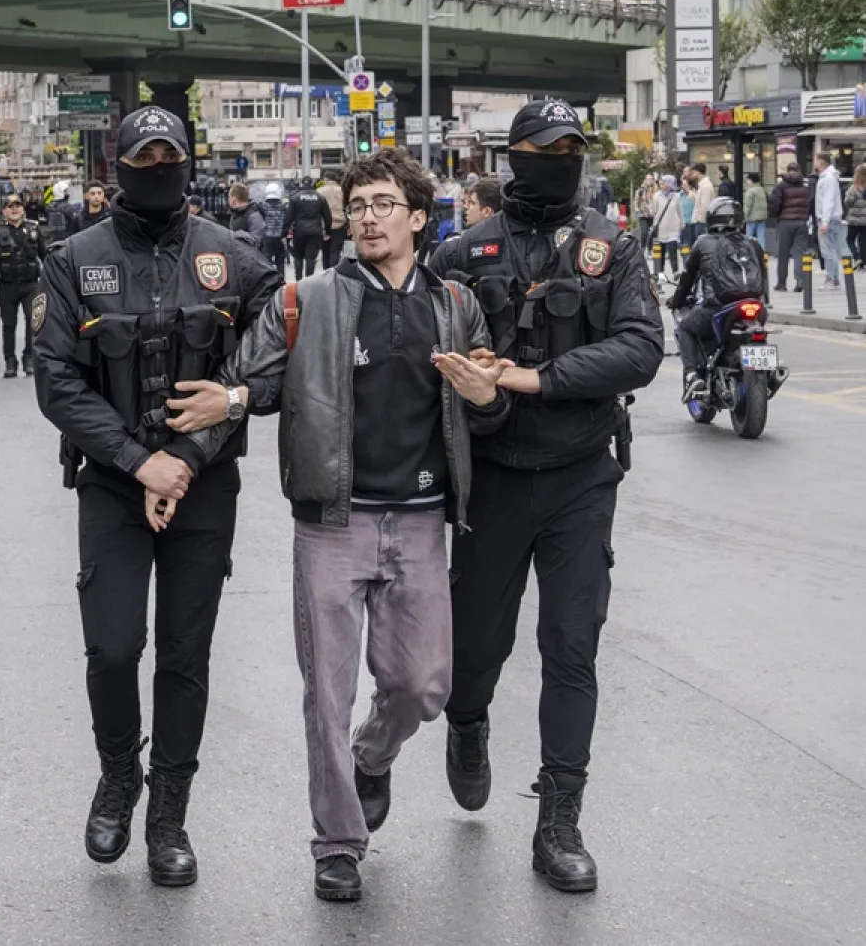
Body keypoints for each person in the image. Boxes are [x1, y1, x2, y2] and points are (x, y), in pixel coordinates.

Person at [175, 147, 510, 902]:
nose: (366, 216)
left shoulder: (455, 306)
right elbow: (247, 380)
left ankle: (373, 754)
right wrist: (205, 432)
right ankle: (337, 842)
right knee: (326, 689)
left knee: (424, 683)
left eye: (383, 204)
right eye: (357, 205)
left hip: (423, 520)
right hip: (332, 520)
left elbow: (492, 411)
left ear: (420, 218)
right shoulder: (307, 299)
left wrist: (487, 396)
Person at [32, 105, 281, 889]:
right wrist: (142, 464)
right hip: (113, 482)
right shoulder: (72, 259)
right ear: (119, 165)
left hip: (203, 485)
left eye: (171, 152)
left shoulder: (237, 258)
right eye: (145, 155)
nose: (159, 164)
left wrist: (187, 455)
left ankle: (169, 811)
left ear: (189, 161)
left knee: (184, 652)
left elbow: (272, 365)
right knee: (112, 646)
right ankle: (119, 773)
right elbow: (56, 381)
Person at [428, 98, 664, 894]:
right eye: (546, 147)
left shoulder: (612, 249)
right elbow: (422, 354)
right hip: (491, 480)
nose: (562, 158)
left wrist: (536, 378)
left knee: (571, 647)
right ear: (515, 154)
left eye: (574, 147)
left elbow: (640, 347)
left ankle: (559, 820)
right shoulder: (466, 251)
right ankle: (466, 724)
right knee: (474, 650)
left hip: (578, 477)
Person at [667, 196, 766, 400]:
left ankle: (692, 375)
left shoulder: (703, 243)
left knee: (686, 327)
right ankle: (765, 372)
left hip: (718, 309)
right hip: (756, 308)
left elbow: (688, 278)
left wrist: (676, 301)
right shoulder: (753, 244)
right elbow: (763, 278)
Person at [0, 193, 47, 379]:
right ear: (4, 210)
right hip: (7, 286)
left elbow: (46, 256)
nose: (14, 209)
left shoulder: (33, 229)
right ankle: (10, 362)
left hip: (31, 285)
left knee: (33, 322)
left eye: (18, 205)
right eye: (10, 206)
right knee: (9, 325)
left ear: (23, 208)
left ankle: (29, 358)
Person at [769, 163, 813, 292]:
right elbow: (810, 202)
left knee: (783, 253)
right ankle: (800, 281)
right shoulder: (806, 185)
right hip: (801, 221)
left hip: (785, 222)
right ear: (799, 171)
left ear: (788, 171)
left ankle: (781, 283)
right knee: (799, 252)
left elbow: (774, 203)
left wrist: (775, 215)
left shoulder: (781, 185)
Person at [813, 153, 847, 290]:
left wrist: (824, 222)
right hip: (831, 218)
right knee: (829, 250)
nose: (814, 164)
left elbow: (828, 202)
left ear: (821, 162)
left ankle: (832, 279)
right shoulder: (829, 178)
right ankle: (833, 278)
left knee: (828, 251)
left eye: (816, 161)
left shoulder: (828, 179)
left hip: (828, 219)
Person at [285, 176, 328, 280]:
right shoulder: (320, 198)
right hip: (315, 232)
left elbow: (289, 217)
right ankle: (309, 281)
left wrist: (284, 233)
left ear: (301, 184)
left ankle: (298, 280)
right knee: (311, 258)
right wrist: (328, 231)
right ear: (312, 183)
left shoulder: (295, 198)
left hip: (299, 231)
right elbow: (327, 216)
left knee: (298, 257)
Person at [651, 175, 684, 282]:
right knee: (661, 250)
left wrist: (681, 223)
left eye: (664, 183)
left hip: (673, 226)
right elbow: (653, 212)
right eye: (661, 183)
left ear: (670, 183)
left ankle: (675, 271)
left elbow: (680, 211)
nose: (662, 185)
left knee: (673, 249)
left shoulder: (676, 196)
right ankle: (660, 271)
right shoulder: (656, 196)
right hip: (661, 227)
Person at [317, 170, 347, 267]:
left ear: (325, 179)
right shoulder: (342, 190)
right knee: (335, 251)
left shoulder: (319, 191)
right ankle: (334, 271)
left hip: (324, 225)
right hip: (340, 224)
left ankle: (326, 272)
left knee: (325, 252)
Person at [845, 163, 866, 271]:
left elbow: (848, 202)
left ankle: (857, 258)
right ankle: (863, 263)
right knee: (863, 241)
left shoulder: (853, 188)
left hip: (854, 220)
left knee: (850, 239)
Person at [688, 163, 715, 241]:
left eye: (693, 173)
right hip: (700, 221)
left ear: (698, 172)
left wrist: (699, 219)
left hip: (702, 222)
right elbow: (697, 199)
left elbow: (705, 206)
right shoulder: (701, 185)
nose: (692, 175)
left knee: (702, 244)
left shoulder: (706, 185)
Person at [742, 172, 769, 248]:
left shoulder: (750, 191)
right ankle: (762, 254)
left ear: (751, 180)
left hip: (752, 218)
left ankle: (750, 254)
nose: (746, 182)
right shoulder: (762, 190)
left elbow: (747, 207)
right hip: (762, 217)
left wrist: (743, 218)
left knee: (749, 238)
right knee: (761, 237)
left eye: (747, 180)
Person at [635, 173, 657, 252]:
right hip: (643, 214)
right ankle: (643, 248)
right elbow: (636, 201)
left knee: (651, 233)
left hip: (652, 214)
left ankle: (650, 249)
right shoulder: (640, 190)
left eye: (651, 179)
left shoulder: (655, 189)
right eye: (648, 179)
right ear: (645, 180)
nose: (649, 181)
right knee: (644, 232)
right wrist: (637, 211)